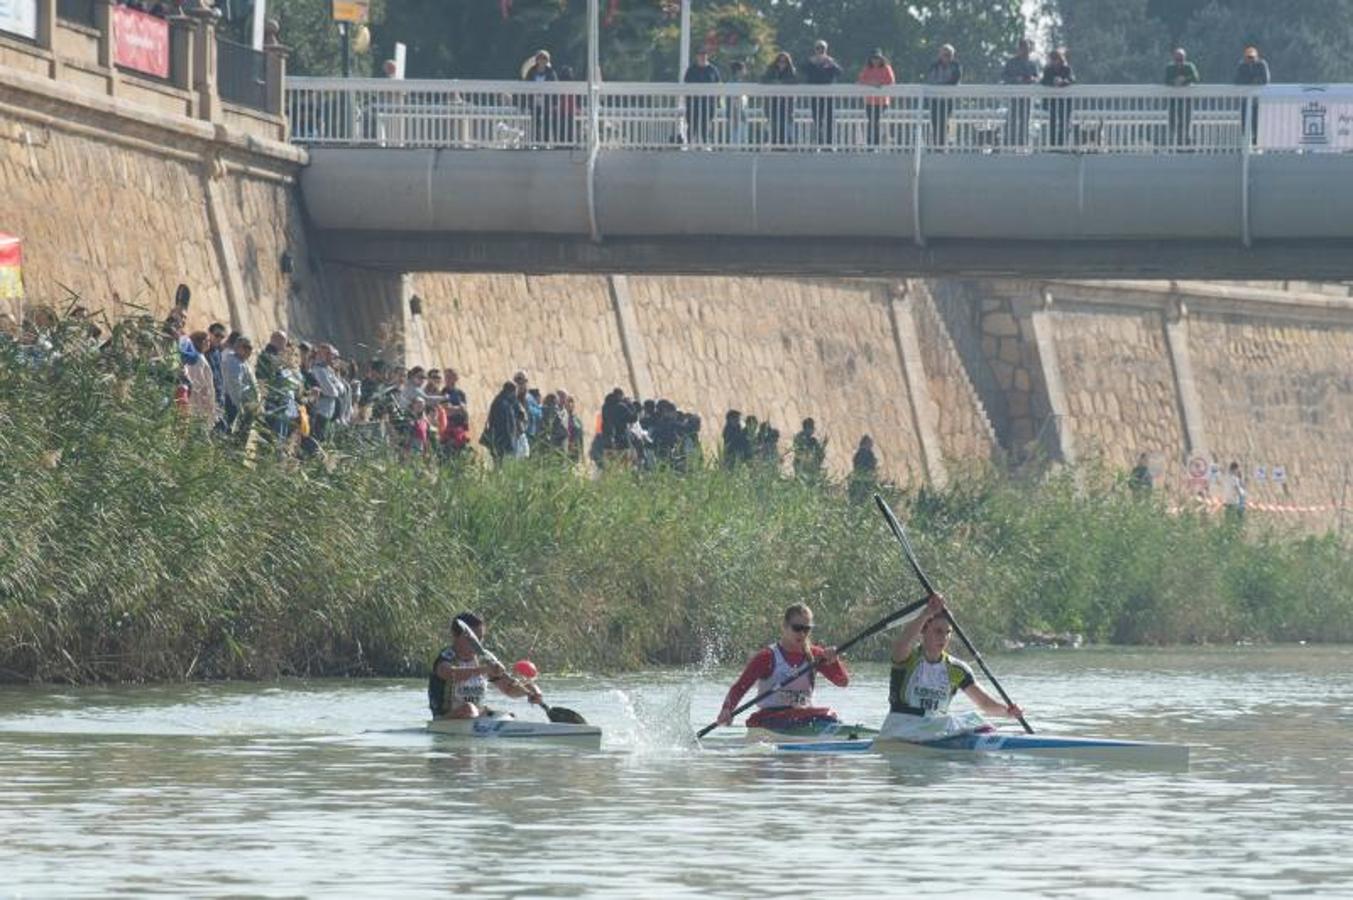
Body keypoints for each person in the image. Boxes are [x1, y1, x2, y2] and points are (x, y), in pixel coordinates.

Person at [880, 594, 1023, 740]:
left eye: (948, 632)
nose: (944, 638)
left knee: (974, 718)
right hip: (901, 727)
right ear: (923, 630)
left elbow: (985, 703)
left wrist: (1008, 711)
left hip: (935, 730)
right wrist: (926, 613)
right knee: (960, 721)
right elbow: (903, 642)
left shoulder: (956, 669)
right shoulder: (907, 658)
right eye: (938, 631)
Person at [715, 603, 848, 732]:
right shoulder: (767, 657)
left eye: (806, 629)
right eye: (797, 628)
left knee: (829, 715)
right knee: (824, 716)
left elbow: (842, 682)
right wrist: (727, 709)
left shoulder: (816, 656)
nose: (802, 634)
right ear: (784, 626)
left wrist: (834, 661)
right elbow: (740, 687)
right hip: (770, 719)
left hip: (803, 718)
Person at [428, 613, 542, 719]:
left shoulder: (485, 658)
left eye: (480, 638)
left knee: (508, 716)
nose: (477, 643)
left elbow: (508, 689)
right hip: (446, 719)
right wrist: (485, 669)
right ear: (455, 636)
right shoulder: (446, 657)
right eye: (472, 639)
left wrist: (530, 691)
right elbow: (451, 673)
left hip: (477, 715)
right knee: (469, 709)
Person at [802, 40, 843, 147]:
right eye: (818, 48)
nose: (820, 51)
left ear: (826, 50)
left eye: (822, 48)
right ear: (814, 49)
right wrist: (811, 62)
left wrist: (831, 63)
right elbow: (802, 70)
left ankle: (829, 144)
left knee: (829, 119)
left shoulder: (831, 61)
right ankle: (818, 144)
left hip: (828, 95)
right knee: (817, 119)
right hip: (815, 95)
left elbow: (839, 72)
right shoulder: (810, 61)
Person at [1001, 39, 1040, 148]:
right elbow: (1004, 77)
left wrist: (1032, 79)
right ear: (1018, 49)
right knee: (1012, 119)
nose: (1025, 51)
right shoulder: (1011, 62)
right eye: (1022, 48)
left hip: (1027, 96)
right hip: (1014, 96)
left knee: (1025, 120)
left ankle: (1023, 144)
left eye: (1027, 48)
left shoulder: (1032, 63)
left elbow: (1037, 78)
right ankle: (1009, 143)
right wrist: (1016, 79)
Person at [924, 44, 962, 147]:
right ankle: (937, 146)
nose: (946, 57)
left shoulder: (956, 66)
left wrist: (942, 86)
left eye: (949, 55)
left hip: (948, 99)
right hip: (935, 99)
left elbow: (955, 81)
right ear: (940, 55)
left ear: (952, 56)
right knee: (935, 122)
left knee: (944, 122)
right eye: (944, 54)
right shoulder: (934, 66)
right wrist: (939, 86)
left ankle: (943, 145)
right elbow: (930, 80)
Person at [857, 49, 895, 147]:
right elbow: (860, 80)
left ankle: (876, 144)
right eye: (873, 58)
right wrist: (871, 83)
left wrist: (879, 83)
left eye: (877, 58)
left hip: (882, 101)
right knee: (871, 122)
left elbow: (891, 81)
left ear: (881, 59)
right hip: (869, 101)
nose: (875, 60)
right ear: (870, 59)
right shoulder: (867, 68)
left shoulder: (886, 68)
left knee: (876, 121)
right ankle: (870, 143)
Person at [683, 48, 721, 146]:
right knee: (692, 125)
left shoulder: (713, 70)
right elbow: (686, 86)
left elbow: (718, 86)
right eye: (700, 54)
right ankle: (690, 144)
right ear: (697, 56)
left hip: (708, 104)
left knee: (706, 125)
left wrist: (717, 102)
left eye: (704, 54)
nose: (702, 56)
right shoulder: (691, 70)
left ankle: (706, 145)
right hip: (693, 104)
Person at [1234, 46, 1269, 146]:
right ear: (1245, 58)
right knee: (1245, 123)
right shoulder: (1242, 66)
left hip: (1258, 100)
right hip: (1245, 99)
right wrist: (1250, 82)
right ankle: (1245, 144)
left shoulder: (1261, 64)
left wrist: (1251, 82)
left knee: (1257, 123)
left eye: (1252, 57)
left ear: (1256, 57)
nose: (1250, 60)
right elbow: (1237, 80)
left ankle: (1257, 144)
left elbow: (1265, 80)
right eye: (1248, 57)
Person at [522, 50, 559, 145]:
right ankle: (535, 142)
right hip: (534, 100)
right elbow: (526, 85)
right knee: (535, 122)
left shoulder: (551, 72)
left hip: (547, 101)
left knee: (546, 122)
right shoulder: (531, 71)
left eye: (545, 59)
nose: (542, 61)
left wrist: (555, 102)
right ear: (537, 60)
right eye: (540, 58)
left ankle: (545, 143)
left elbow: (555, 87)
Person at [1040, 48, 1075, 148]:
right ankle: (1052, 145)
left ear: (1060, 59)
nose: (1054, 62)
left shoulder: (1066, 69)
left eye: (1056, 59)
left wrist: (1062, 82)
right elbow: (1043, 82)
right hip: (1051, 103)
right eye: (1052, 59)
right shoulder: (1048, 70)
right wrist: (1052, 82)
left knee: (1064, 122)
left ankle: (1062, 145)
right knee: (1052, 122)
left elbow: (1071, 80)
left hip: (1065, 102)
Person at [1165, 48, 1200, 147]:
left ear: (1185, 58)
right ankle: (1172, 143)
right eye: (1177, 59)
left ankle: (1185, 143)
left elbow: (1196, 78)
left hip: (1186, 99)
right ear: (1174, 58)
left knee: (1185, 121)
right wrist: (1174, 82)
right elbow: (1166, 80)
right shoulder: (1170, 67)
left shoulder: (1189, 66)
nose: (1179, 61)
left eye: (1181, 59)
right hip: (1173, 99)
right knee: (1172, 120)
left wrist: (1184, 80)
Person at [762, 52, 798, 147]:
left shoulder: (791, 72)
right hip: (773, 102)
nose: (782, 64)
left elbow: (795, 82)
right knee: (774, 122)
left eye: (784, 62)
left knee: (785, 122)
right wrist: (774, 82)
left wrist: (782, 83)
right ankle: (774, 143)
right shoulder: (771, 71)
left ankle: (787, 143)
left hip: (786, 103)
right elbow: (763, 80)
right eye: (780, 61)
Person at [848, 434, 878, 503]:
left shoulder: (859, 454)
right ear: (865, 443)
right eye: (869, 443)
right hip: (864, 480)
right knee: (863, 499)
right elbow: (868, 466)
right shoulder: (865, 454)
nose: (871, 445)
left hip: (860, 479)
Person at [1224, 461, 1246, 525]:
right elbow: (1236, 487)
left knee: (1228, 518)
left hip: (1227, 499)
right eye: (1237, 469)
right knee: (1236, 518)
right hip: (1234, 501)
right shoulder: (1234, 478)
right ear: (1235, 469)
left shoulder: (1227, 476)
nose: (1237, 471)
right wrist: (1241, 494)